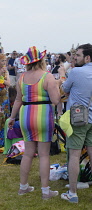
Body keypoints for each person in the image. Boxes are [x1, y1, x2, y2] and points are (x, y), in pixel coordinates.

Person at [8, 46, 60, 200]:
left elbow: (18, 99)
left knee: (28, 153)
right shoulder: (48, 76)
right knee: (44, 154)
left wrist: (11, 118)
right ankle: (45, 191)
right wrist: (58, 86)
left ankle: (23, 187)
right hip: (43, 115)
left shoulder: (22, 77)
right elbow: (56, 100)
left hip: (25, 115)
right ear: (42, 60)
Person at [58, 43, 92, 203]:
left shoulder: (77, 71)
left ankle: (72, 193)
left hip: (79, 119)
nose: (75, 58)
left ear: (87, 57)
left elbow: (65, 88)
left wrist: (63, 73)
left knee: (74, 155)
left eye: (78, 55)